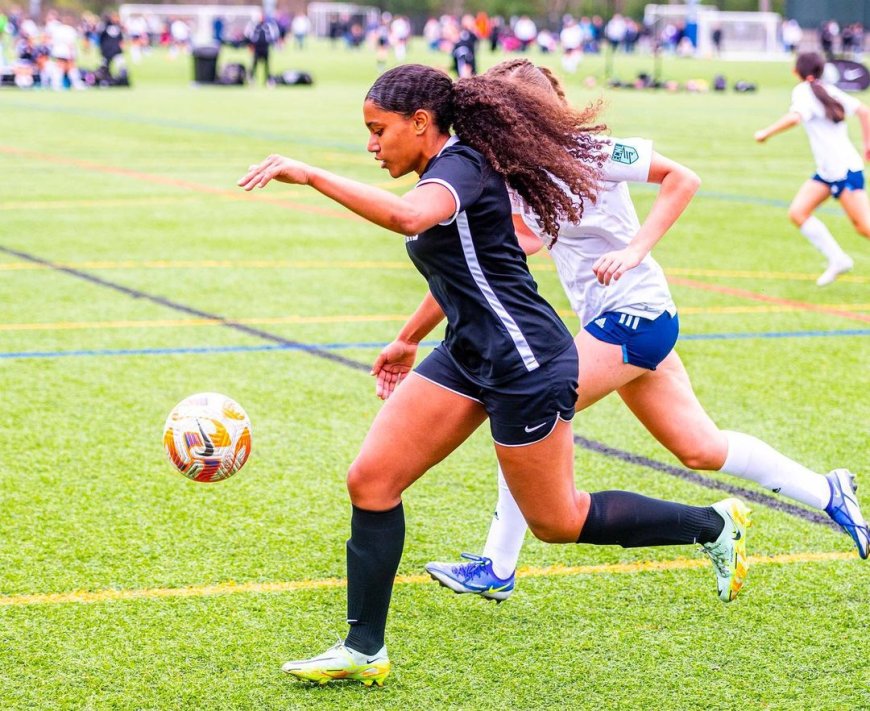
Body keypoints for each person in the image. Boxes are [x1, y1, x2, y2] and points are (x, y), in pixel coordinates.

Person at [238, 64, 752, 687]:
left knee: (556, 522)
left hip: (525, 363)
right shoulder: (453, 167)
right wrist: (407, 339)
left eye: (379, 130)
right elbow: (467, 268)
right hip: (468, 352)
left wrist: (311, 174)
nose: (371, 145)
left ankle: (711, 524)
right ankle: (363, 650)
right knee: (371, 480)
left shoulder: (456, 168)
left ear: (421, 123)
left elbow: (408, 219)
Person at [409, 60, 869, 602]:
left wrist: (635, 249)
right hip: (615, 324)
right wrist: (413, 327)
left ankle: (497, 565)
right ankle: (827, 490)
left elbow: (682, 178)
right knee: (700, 448)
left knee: (529, 409)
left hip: (638, 317)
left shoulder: (596, 152)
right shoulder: (519, 177)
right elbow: (500, 256)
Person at [755, 52, 870, 286]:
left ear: (796, 70)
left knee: (864, 227)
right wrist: (867, 144)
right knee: (798, 212)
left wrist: (766, 133)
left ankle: (838, 259)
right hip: (828, 172)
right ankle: (838, 259)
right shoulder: (825, 88)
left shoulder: (804, 91)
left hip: (844, 172)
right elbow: (864, 111)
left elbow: (795, 118)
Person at [245, 13, 279, 85]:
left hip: (265, 48)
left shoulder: (267, 26)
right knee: (254, 64)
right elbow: (249, 35)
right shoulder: (255, 26)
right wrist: (251, 44)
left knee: (267, 65)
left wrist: (271, 42)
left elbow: (273, 35)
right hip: (257, 48)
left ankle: (268, 80)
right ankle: (251, 79)